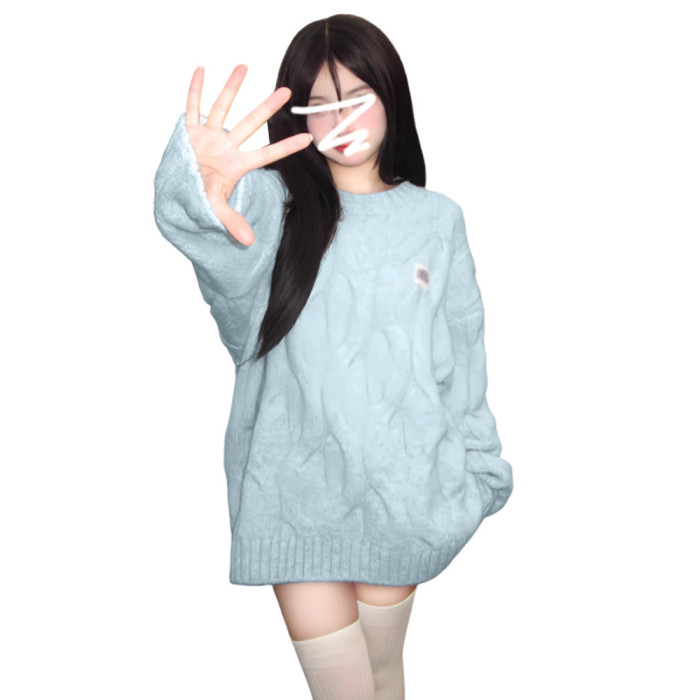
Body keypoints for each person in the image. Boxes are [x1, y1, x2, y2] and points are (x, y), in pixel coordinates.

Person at [153, 13, 513, 700]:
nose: (340, 118)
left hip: (408, 498)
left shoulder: (437, 219)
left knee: (384, 682)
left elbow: (461, 359)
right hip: (295, 500)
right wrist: (201, 188)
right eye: (320, 103)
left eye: (357, 96)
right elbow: (214, 240)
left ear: (391, 95)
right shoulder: (271, 205)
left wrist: (479, 470)